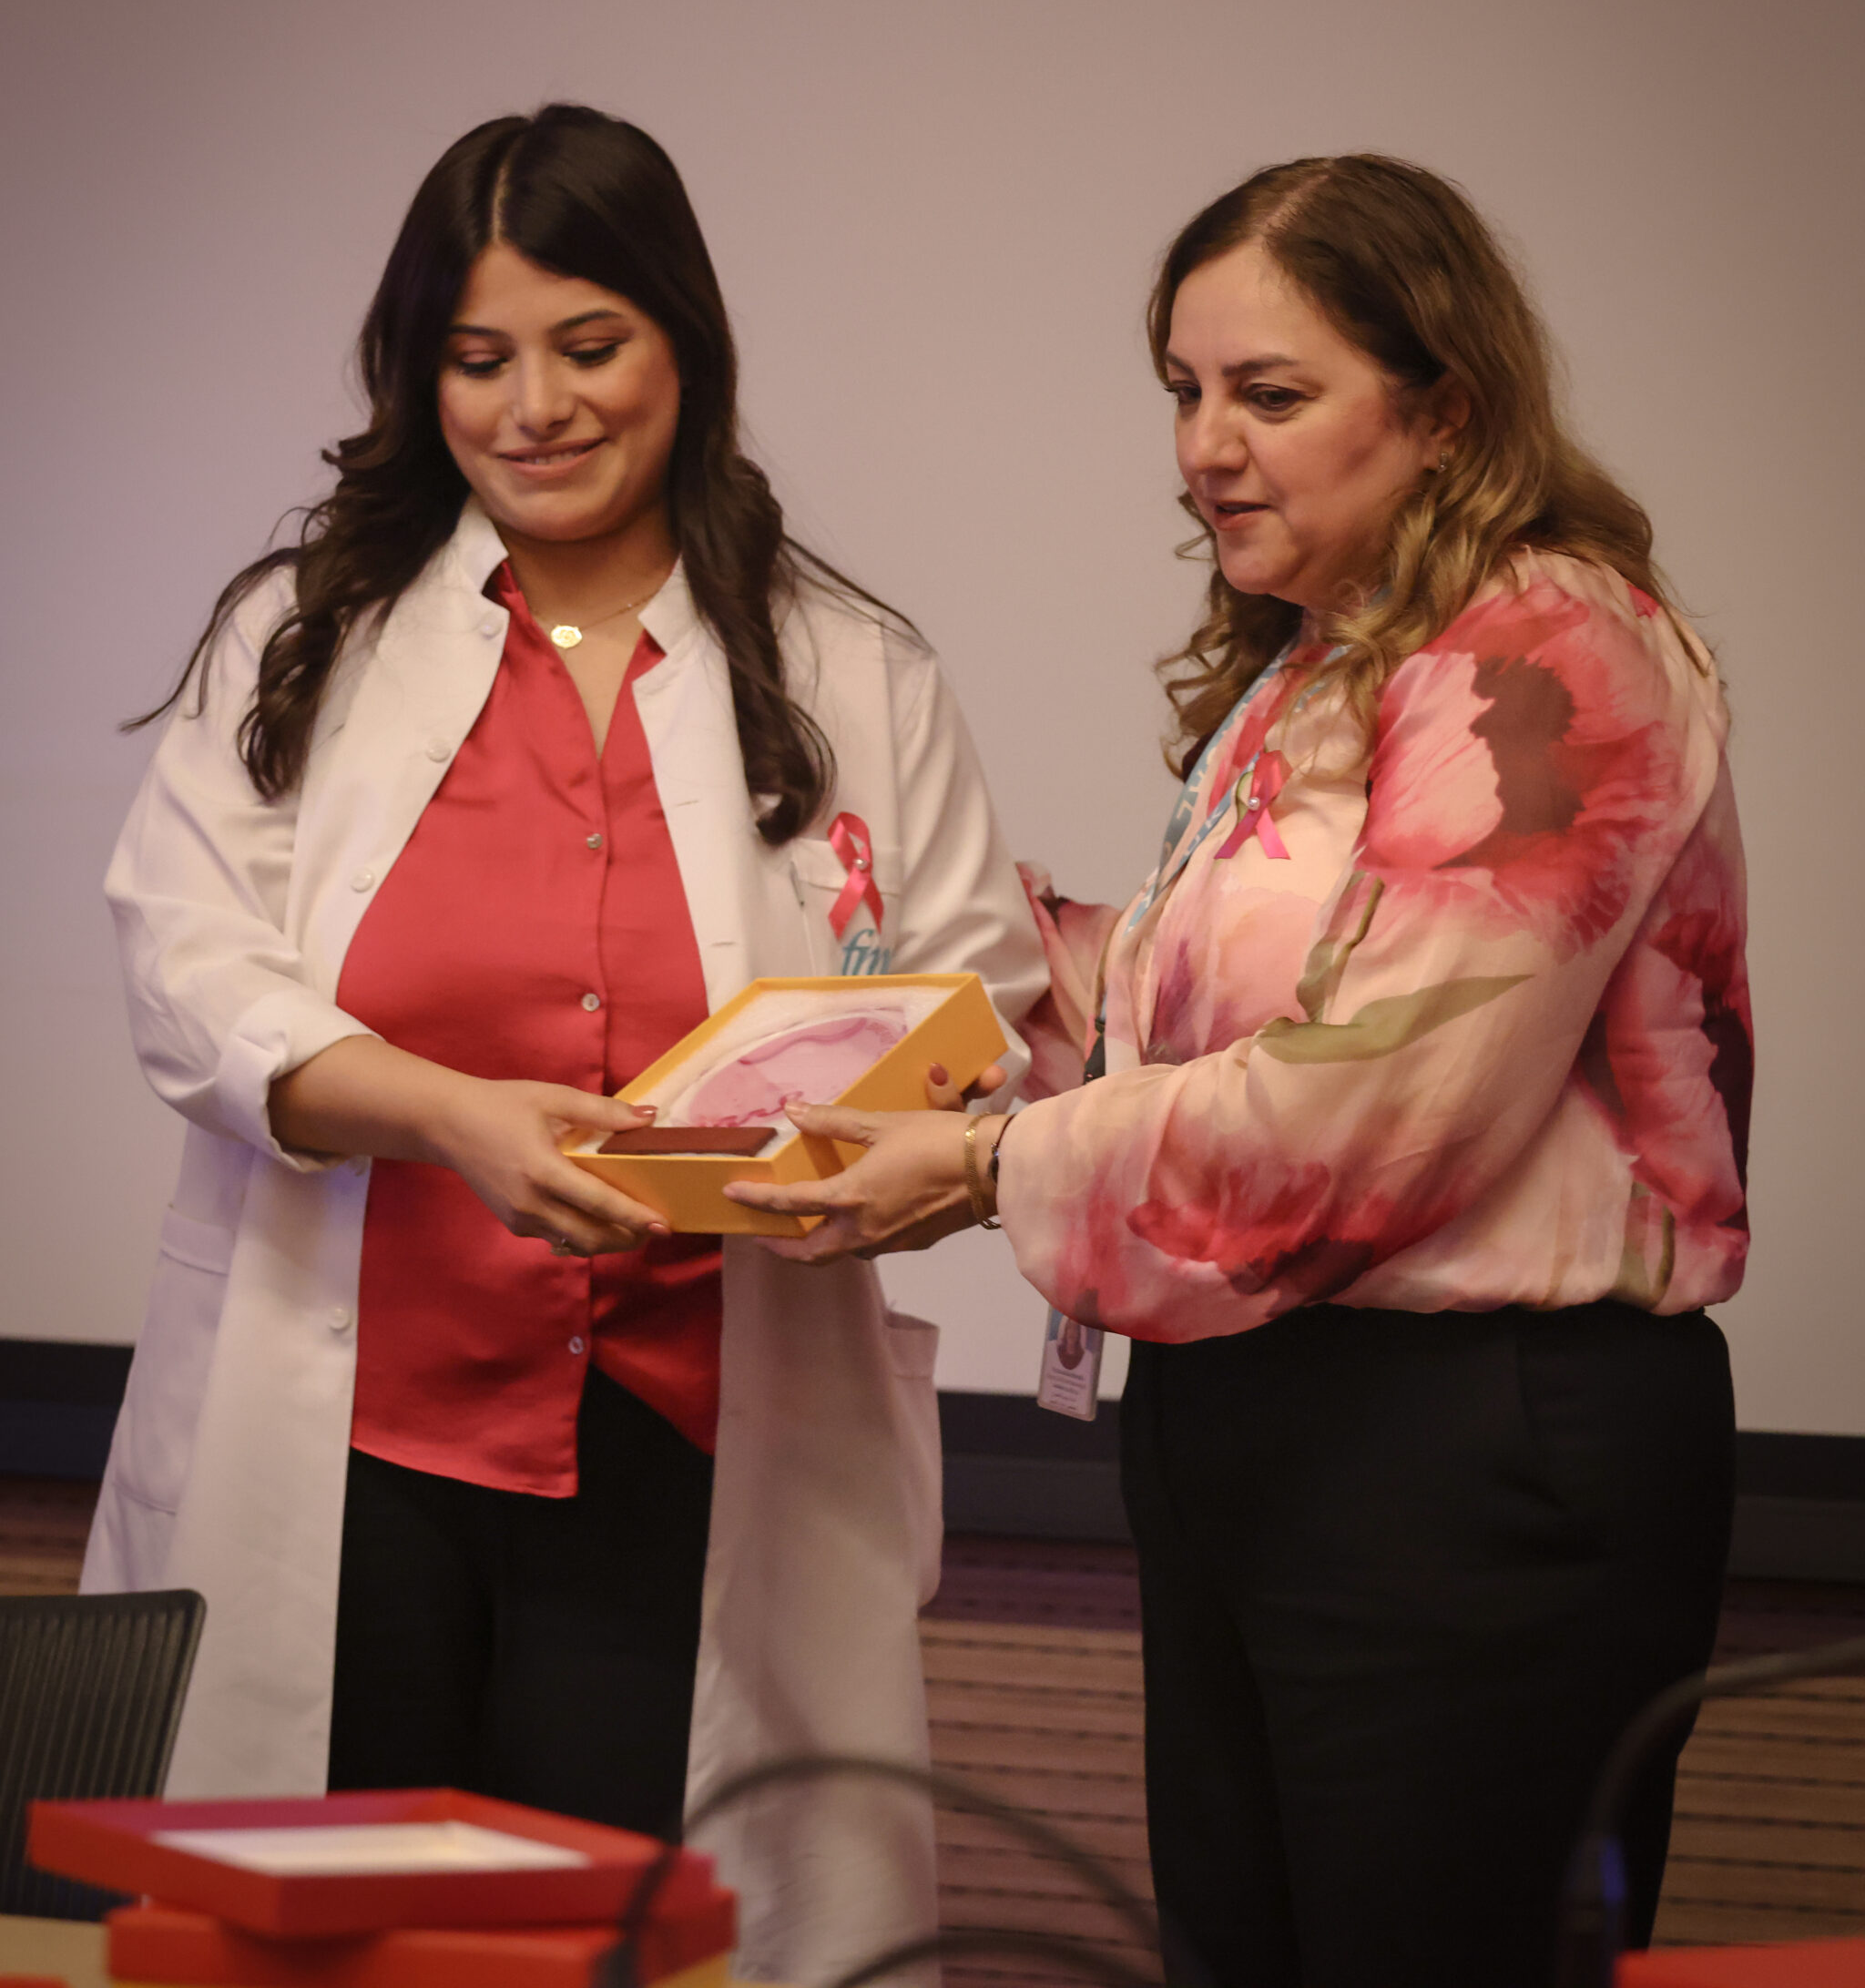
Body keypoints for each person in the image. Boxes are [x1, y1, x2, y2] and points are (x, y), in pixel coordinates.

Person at [724, 155, 1752, 1988]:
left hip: (1474, 1451)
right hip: (1254, 1425)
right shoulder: (1321, 666)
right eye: (1184, 391)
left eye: (1269, 394)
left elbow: (1370, 1109)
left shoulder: (1550, 650)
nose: (1207, 447)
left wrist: (982, 1165)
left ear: (1444, 407)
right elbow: (1181, 1017)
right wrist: (883, 917)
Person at [86, 104, 1045, 1983]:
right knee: (326, 1927)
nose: (534, 407)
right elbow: (187, 967)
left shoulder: (849, 667)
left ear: (683, 343)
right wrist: (451, 1118)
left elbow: (974, 996)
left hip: (690, 1442)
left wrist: (883, 1154)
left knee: (632, 1933)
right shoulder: (308, 637)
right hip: (356, 1447)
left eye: (588, 345)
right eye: (478, 358)